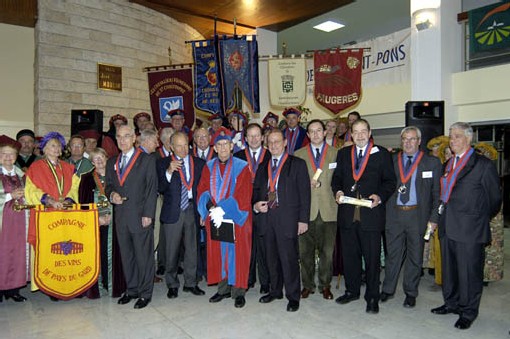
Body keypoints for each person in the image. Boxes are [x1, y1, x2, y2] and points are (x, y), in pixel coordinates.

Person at [431, 122, 501, 330]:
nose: (453, 141)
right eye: (451, 137)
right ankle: (451, 303)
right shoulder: (448, 163)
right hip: (448, 226)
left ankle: (468, 312)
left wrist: (477, 218)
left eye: (458, 136)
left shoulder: (483, 165)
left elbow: (494, 199)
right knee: (450, 270)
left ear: (469, 139)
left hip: (470, 229)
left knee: (469, 273)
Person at [331, 118, 396, 314]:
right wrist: (338, 192)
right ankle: (352, 291)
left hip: (371, 215)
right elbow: (337, 180)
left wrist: (380, 196)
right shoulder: (343, 154)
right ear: (351, 134)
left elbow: (390, 182)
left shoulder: (382, 154)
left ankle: (372, 297)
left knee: (372, 259)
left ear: (369, 133)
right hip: (348, 215)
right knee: (350, 257)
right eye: (355, 132)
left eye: (363, 131)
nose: (359, 135)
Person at [380, 126, 441, 308]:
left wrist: (434, 218)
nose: (408, 142)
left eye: (412, 139)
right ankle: (388, 289)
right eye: (405, 139)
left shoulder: (432, 163)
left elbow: (437, 194)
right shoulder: (391, 161)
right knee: (393, 255)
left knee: (415, 256)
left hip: (418, 215)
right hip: (395, 214)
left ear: (419, 141)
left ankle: (411, 292)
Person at [253, 129, 311, 312]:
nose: (274, 145)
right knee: (271, 259)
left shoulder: (298, 164)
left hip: (288, 219)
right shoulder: (263, 167)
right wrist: (255, 205)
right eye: (270, 142)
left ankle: (293, 296)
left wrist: (303, 220)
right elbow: (255, 192)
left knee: (289, 259)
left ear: (285, 142)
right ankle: (275, 290)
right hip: (267, 218)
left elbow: (305, 194)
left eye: (277, 141)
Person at [197, 131, 253, 308]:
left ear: (231, 146)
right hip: (216, 218)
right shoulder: (209, 166)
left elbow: (243, 194)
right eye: (218, 145)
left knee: (238, 255)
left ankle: (238, 292)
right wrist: (209, 209)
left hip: (237, 219)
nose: (222, 148)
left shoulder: (242, 166)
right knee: (219, 254)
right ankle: (223, 289)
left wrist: (222, 209)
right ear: (214, 148)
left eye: (225, 144)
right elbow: (203, 189)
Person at [105, 125, 158, 309]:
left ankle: (145, 293)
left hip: (140, 216)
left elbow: (152, 189)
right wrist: (112, 195)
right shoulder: (112, 161)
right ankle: (132, 289)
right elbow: (109, 186)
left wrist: (148, 214)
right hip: (121, 217)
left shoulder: (146, 160)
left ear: (134, 138)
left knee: (144, 256)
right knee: (127, 256)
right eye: (119, 137)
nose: (122, 140)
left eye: (126, 136)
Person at [24, 132, 80, 300]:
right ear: (44, 148)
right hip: (46, 214)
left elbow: (75, 186)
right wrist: (48, 200)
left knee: (66, 250)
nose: (56, 149)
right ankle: (51, 286)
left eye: (59, 146)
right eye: (52, 145)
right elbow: (30, 189)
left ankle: (68, 282)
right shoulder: (36, 167)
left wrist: (68, 200)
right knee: (49, 250)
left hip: (66, 214)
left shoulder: (69, 167)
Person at [157, 132, 206, 299]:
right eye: (179, 145)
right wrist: (169, 172)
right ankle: (172, 283)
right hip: (173, 210)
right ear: (171, 147)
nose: (183, 149)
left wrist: (203, 211)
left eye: (186, 145)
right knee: (171, 250)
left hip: (192, 209)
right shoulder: (163, 163)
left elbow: (204, 189)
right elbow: (161, 188)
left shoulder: (199, 163)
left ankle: (191, 283)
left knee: (192, 248)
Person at [293, 119, 338, 301]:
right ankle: (308, 286)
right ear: (308, 135)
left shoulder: (336, 154)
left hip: (329, 210)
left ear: (325, 132)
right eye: (312, 131)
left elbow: (340, 180)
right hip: (306, 211)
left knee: (327, 253)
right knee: (305, 253)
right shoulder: (298, 154)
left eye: (319, 130)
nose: (316, 134)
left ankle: (325, 285)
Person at [234, 123, 271, 294]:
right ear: (245, 138)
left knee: (264, 247)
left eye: (257, 135)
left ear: (263, 137)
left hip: (265, 207)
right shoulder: (238, 156)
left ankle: (266, 281)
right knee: (246, 246)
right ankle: (248, 279)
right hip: (244, 208)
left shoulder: (271, 155)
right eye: (250, 136)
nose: (254, 139)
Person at [0, 142, 28, 302]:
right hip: (2, 222)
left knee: (17, 253)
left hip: (19, 221)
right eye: (4, 154)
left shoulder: (22, 175)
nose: (8, 157)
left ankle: (13, 289)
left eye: (11, 154)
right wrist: (11, 196)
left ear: (16, 157)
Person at [474, 142, 504, 284]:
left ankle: (488, 276)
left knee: (492, 248)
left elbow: (494, 197)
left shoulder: (488, 168)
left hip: (491, 215)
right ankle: (481, 275)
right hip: (483, 214)